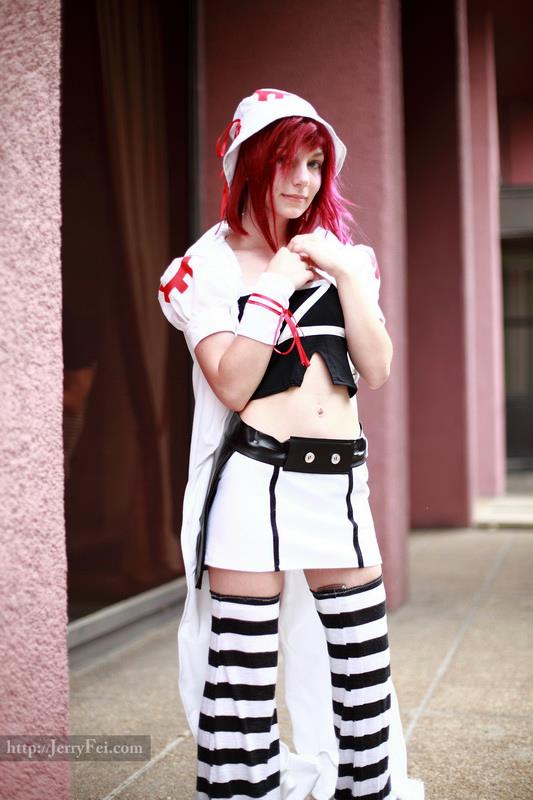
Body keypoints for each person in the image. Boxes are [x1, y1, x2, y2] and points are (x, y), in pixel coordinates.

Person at [158, 89, 423, 800]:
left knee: (361, 673)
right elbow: (232, 384)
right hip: (255, 481)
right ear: (248, 163)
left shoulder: (346, 257)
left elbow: (376, 369)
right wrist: (274, 284)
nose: (303, 180)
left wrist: (343, 273)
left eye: (315, 164)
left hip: (337, 485)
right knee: (241, 681)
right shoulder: (205, 268)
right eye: (286, 162)